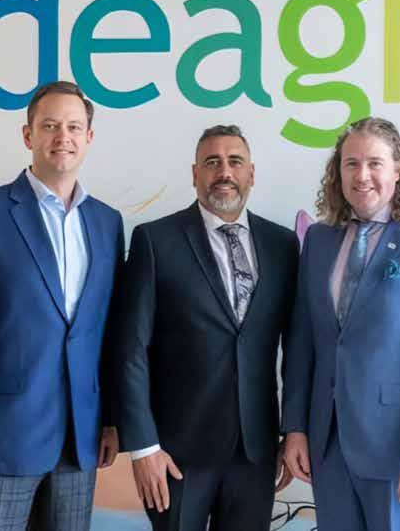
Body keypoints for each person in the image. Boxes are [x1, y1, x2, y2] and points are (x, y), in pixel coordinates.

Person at [0, 80, 123, 530]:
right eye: (50, 126)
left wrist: (112, 419)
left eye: (74, 127)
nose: (63, 137)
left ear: (89, 137)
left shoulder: (107, 222)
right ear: (27, 135)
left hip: (79, 442)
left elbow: (109, 331)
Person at [281, 117, 400, 531]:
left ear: (398, 169)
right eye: (351, 164)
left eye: (374, 163)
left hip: (399, 450)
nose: (361, 175)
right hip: (327, 443)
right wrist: (294, 427)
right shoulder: (318, 241)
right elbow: (303, 342)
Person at [114, 125, 298, 530]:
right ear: (195, 173)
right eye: (212, 162)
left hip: (256, 454)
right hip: (176, 455)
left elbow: (297, 349)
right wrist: (143, 446)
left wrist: (294, 431)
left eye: (235, 161)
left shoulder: (283, 245)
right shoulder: (155, 241)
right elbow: (130, 351)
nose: (224, 172)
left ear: (252, 173)